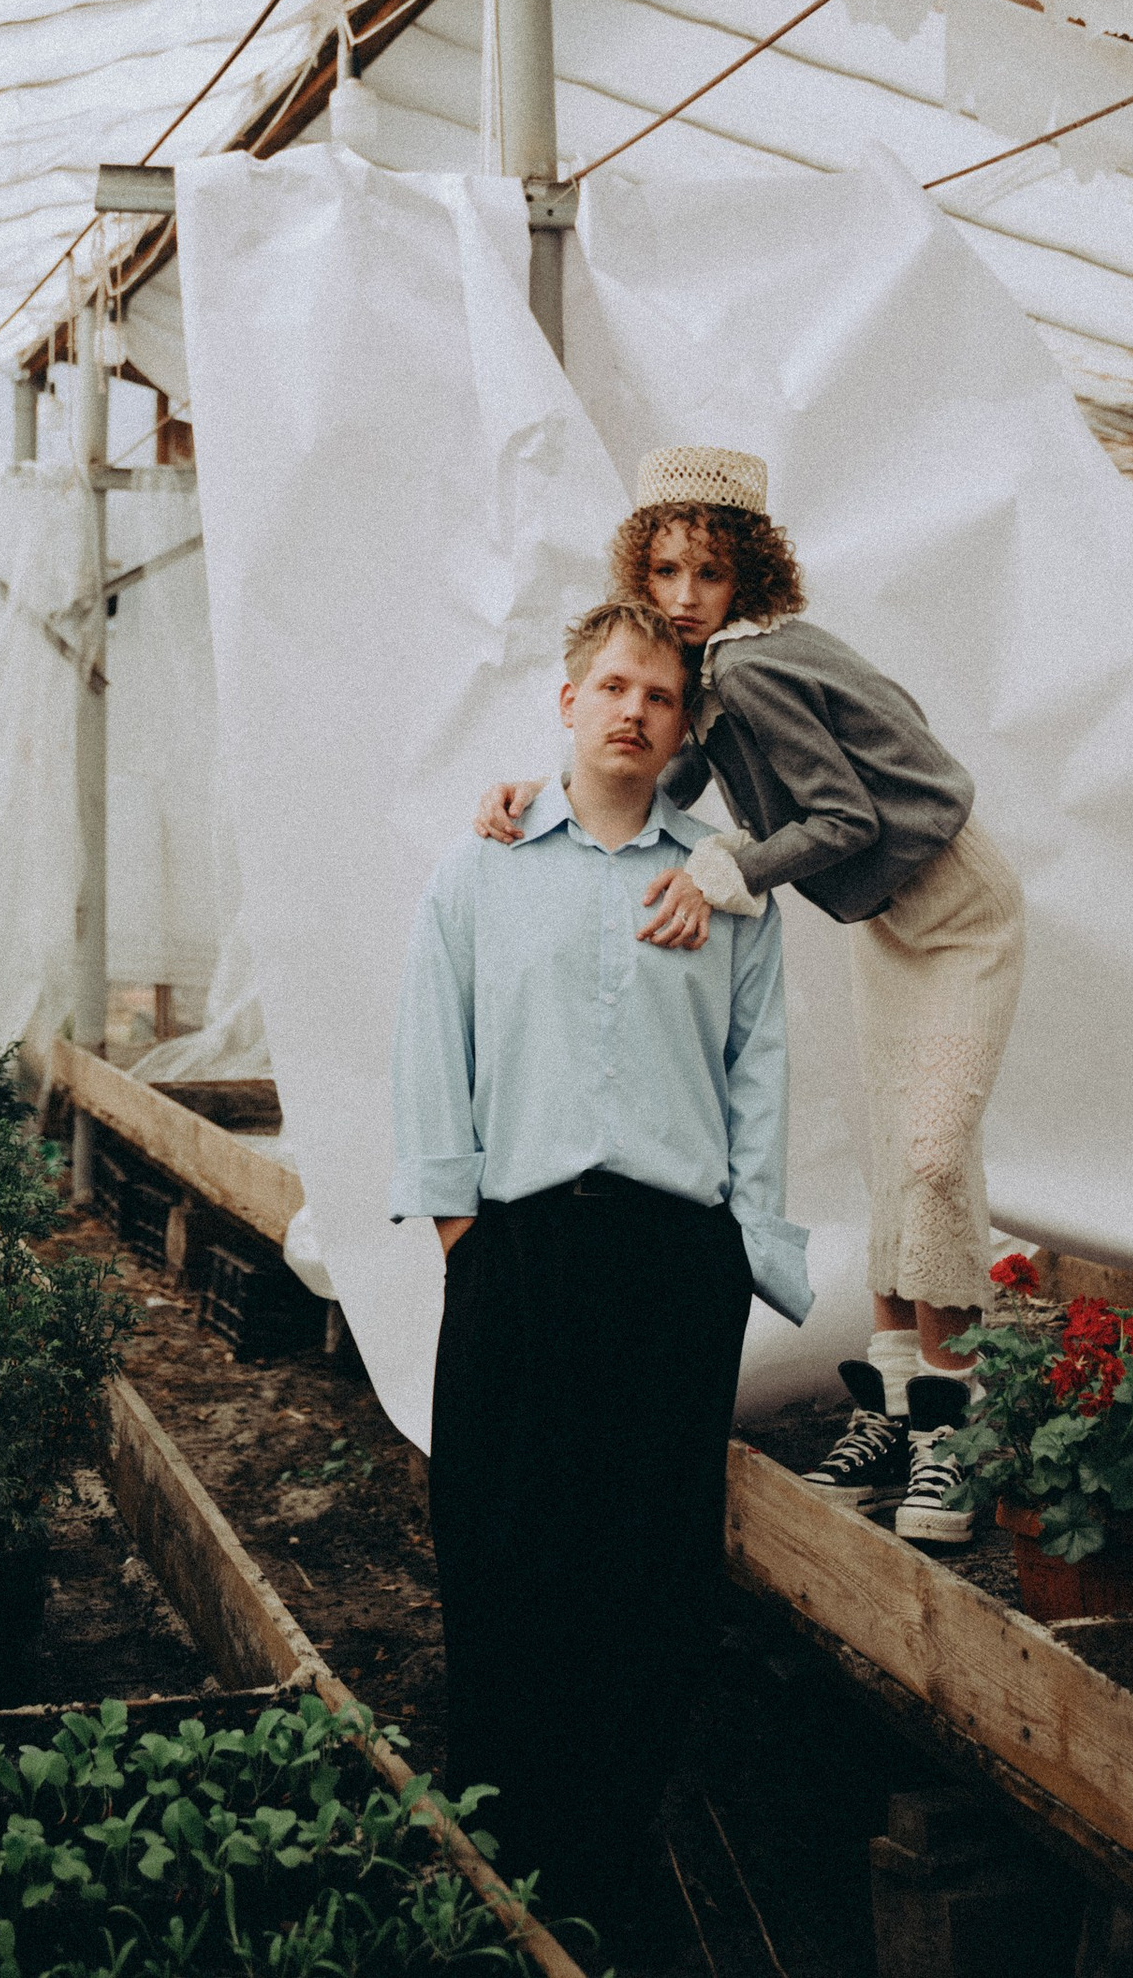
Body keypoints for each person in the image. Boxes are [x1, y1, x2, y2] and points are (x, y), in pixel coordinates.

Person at [475, 444, 1024, 1550]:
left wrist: (725, 871)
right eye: (666, 571)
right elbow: (661, 773)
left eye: (708, 575)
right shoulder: (713, 669)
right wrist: (543, 790)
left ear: (751, 577)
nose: (682, 597)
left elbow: (850, 823)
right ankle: (894, 1407)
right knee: (893, 1160)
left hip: (958, 915)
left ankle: (952, 1431)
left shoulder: (759, 670)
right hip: (886, 930)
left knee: (930, 1157)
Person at [392, 593, 808, 1962]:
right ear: (569, 701)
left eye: (662, 696)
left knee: (649, 1557)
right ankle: (500, 1831)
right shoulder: (484, 867)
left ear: (685, 728)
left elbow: (758, 1068)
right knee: (506, 1538)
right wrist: (462, 1228)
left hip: (671, 1261)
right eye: (614, 684)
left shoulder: (721, 885)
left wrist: (741, 1246)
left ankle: (616, 1838)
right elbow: (429, 1044)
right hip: (518, 1251)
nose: (635, 708)